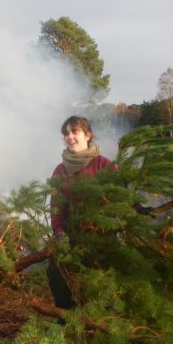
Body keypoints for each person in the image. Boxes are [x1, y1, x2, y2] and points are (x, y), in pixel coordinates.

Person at [47, 115, 116, 309]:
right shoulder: (60, 170)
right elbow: (56, 206)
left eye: (74, 132)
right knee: (56, 272)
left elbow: (121, 195)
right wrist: (59, 231)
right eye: (66, 133)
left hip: (100, 235)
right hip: (70, 235)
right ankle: (66, 318)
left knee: (97, 280)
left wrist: (136, 208)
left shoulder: (104, 165)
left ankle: (98, 319)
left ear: (87, 135)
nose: (69, 137)